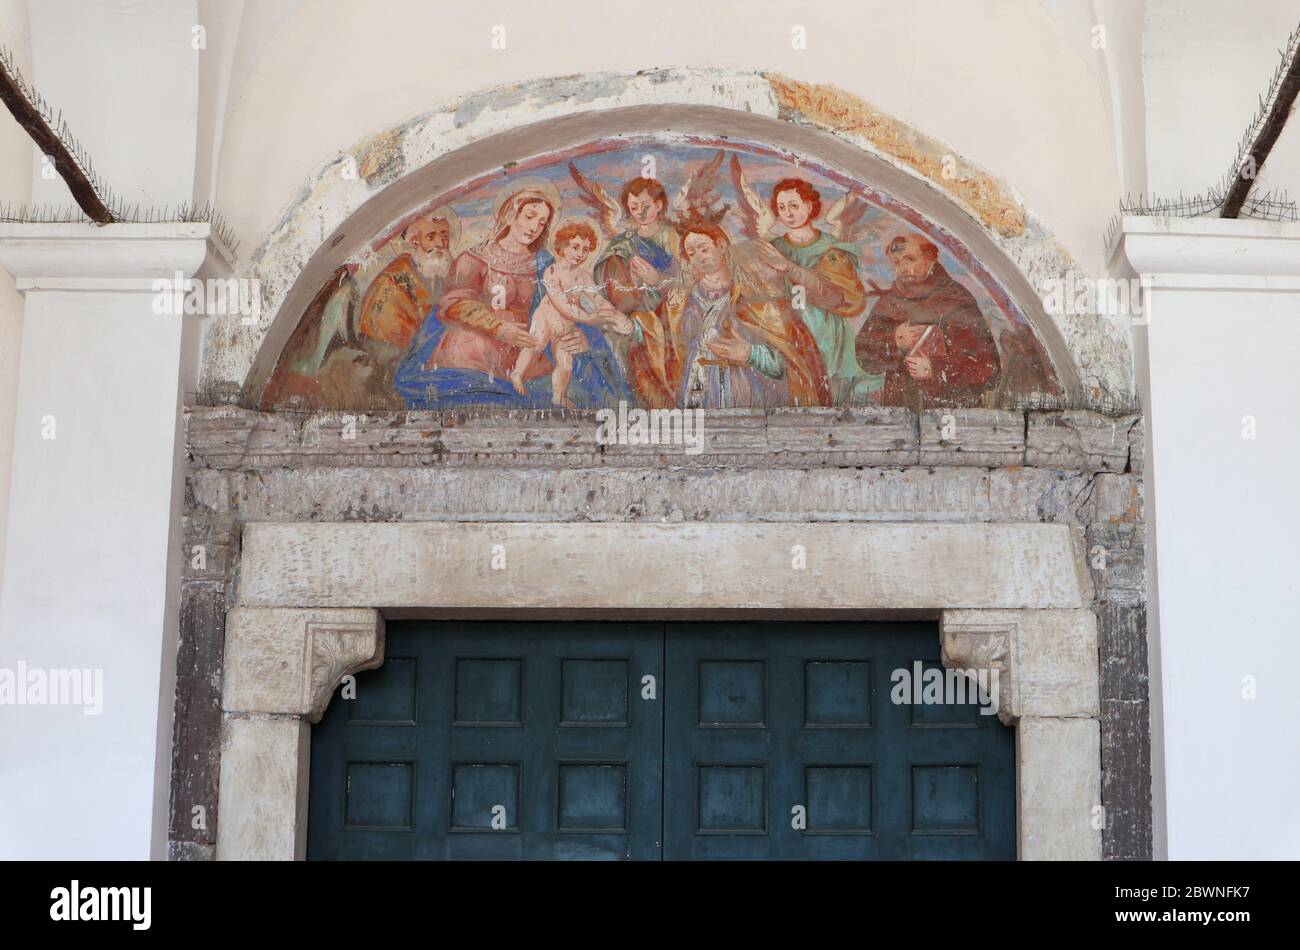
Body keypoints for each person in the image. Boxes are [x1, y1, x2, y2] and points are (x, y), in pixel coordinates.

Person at [393, 180, 629, 409]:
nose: (535, 227)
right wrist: (499, 328)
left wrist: (585, 337)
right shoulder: (473, 259)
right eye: (529, 217)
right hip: (475, 352)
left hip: (528, 352)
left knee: (568, 389)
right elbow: (455, 304)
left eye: (542, 222)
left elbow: (581, 304)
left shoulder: (547, 264)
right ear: (510, 215)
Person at [625, 216, 831, 408]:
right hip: (694, 394)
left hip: (743, 397)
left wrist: (750, 354)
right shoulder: (680, 300)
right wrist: (627, 326)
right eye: (691, 253)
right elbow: (657, 335)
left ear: (721, 245)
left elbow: (788, 363)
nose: (698, 258)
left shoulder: (757, 299)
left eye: (703, 249)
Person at [752, 177, 882, 404]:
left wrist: (788, 267)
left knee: (833, 396)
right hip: (788, 331)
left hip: (828, 334)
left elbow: (836, 297)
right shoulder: (773, 248)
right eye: (781, 208)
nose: (788, 214)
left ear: (809, 206)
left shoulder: (832, 249)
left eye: (794, 206)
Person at [855, 233, 1000, 410]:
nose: (903, 268)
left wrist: (935, 369)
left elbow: (988, 367)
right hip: (901, 410)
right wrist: (894, 339)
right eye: (897, 262)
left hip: (950, 414)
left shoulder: (955, 299)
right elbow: (864, 355)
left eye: (910, 259)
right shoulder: (891, 301)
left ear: (930, 258)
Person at [510, 221, 631, 407]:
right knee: (535, 345)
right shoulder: (552, 271)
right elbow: (562, 304)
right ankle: (517, 373)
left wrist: (614, 315)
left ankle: (558, 396)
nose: (580, 254)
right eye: (575, 247)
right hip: (547, 319)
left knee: (565, 364)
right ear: (562, 247)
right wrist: (590, 318)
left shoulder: (583, 276)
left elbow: (594, 300)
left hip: (567, 325)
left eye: (585, 249)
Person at [357, 209, 456, 350]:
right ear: (415, 242)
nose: (441, 243)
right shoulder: (392, 281)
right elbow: (385, 332)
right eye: (431, 237)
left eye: (444, 236)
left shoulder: (445, 276)